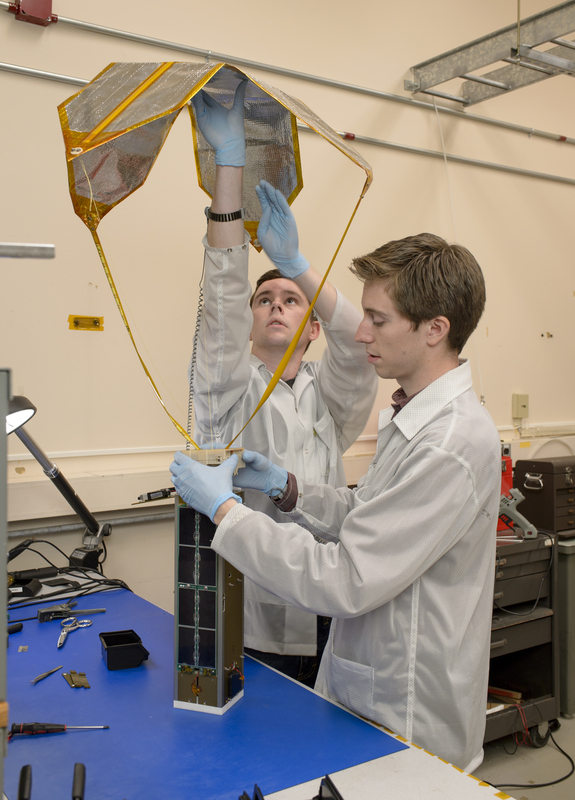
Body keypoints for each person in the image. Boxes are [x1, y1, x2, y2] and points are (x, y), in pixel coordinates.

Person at [171, 232, 501, 771]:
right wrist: (289, 487)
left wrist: (224, 511)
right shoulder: (414, 419)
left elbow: (347, 576)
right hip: (368, 681)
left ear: (434, 329)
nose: (361, 331)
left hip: (408, 707)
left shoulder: (448, 444)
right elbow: (364, 513)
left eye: (378, 318)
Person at [187, 82, 378, 686]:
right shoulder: (231, 387)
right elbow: (220, 304)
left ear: (313, 327)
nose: (274, 305)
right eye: (264, 298)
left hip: (330, 603)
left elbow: (361, 338)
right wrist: (229, 168)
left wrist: (300, 267)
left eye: (291, 300)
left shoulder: (332, 395)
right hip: (254, 609)